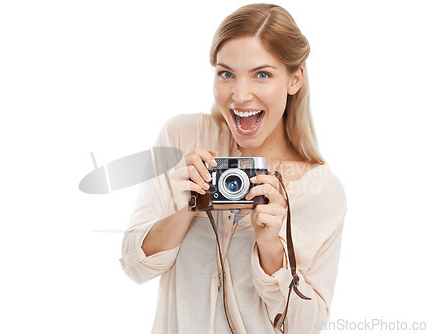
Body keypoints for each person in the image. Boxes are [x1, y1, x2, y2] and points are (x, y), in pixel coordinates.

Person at [120, 3, 347, 333]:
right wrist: (186, 207)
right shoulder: (183, 137)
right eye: (226, 73)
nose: (240, 96)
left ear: (294, 78)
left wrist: (271, 247)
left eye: (262, 74)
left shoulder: (322, 190)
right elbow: (134, 267)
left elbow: (306, 327)